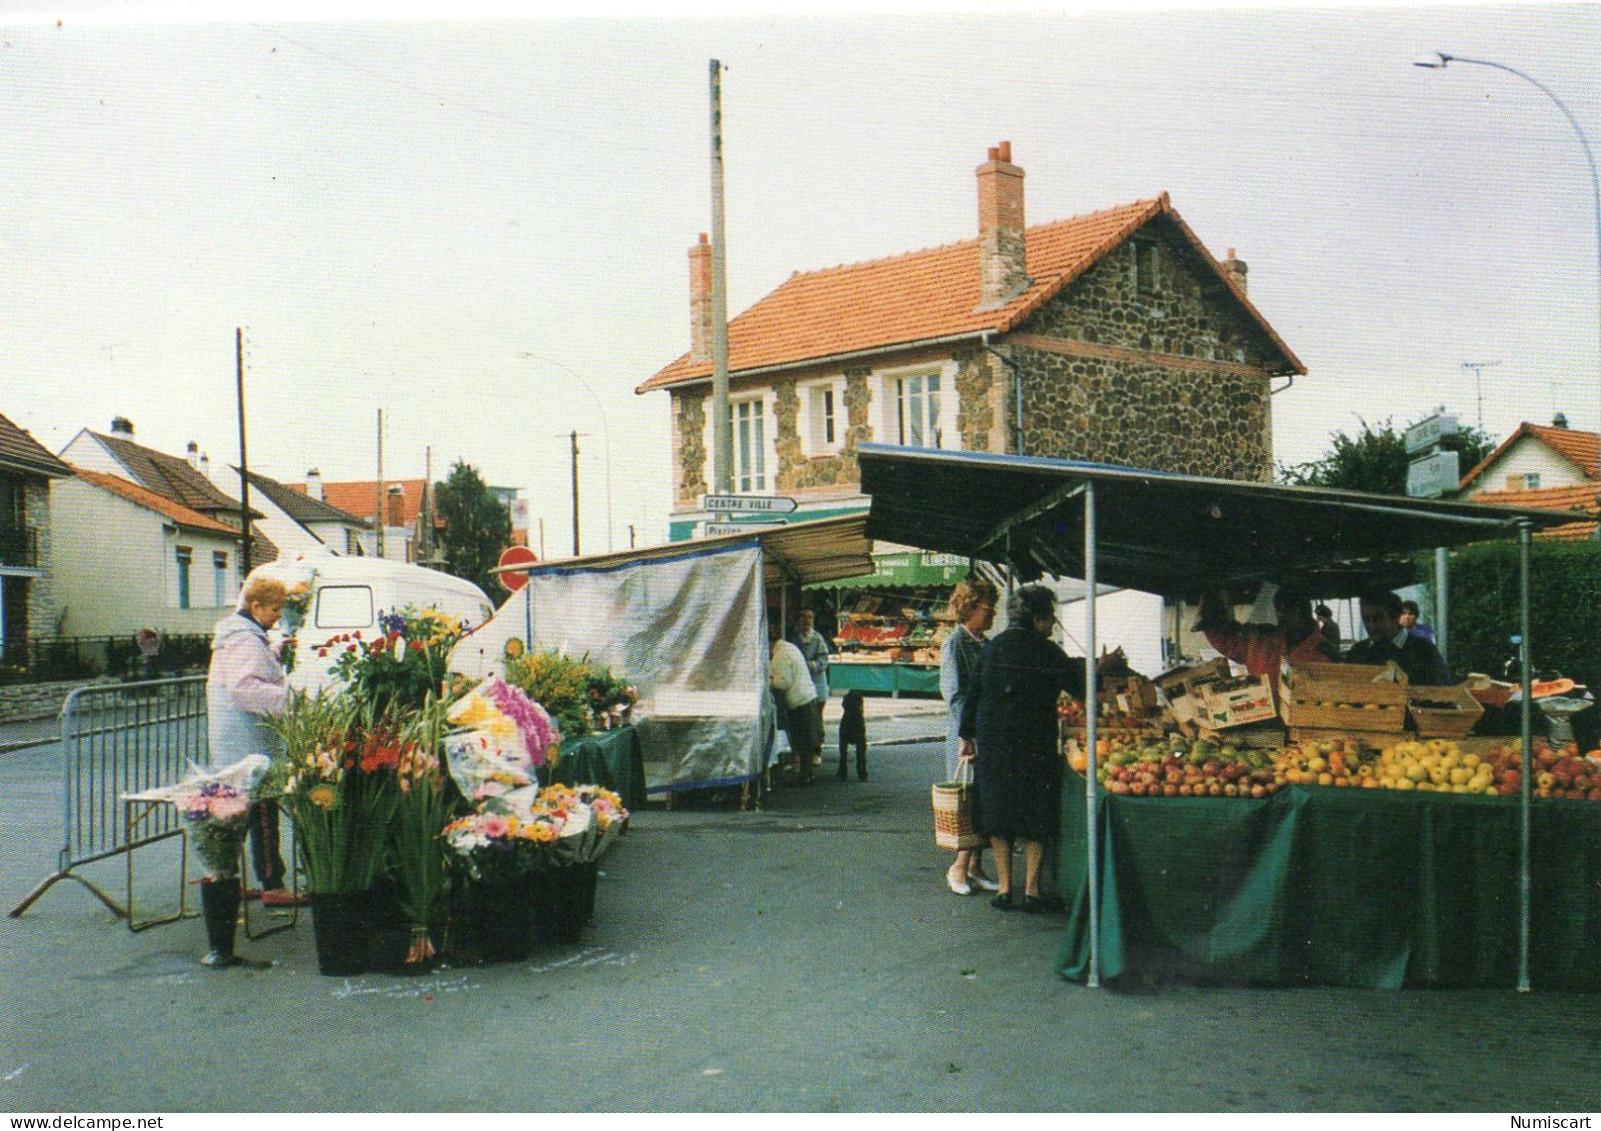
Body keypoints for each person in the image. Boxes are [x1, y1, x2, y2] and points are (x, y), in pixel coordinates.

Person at [958, 584, 1082, 913]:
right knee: (1036, 812)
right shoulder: (1046, 650)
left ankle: (1004, 888)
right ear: (1038, 617)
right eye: (1050, 618)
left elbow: (974, 691)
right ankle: (1032, 890)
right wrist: (1103, 666)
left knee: (998, 812)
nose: (1053, 624)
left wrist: (965, 735)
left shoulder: (992, 647)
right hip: (1034, 741)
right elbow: (1080, 685)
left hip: (994, 739)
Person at [206, 574, 300, 907]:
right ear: (256, 605)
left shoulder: (241, 635)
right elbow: (245, 686)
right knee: (262, 808)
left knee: (234, 811)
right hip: (249, 740)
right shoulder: (245, 639)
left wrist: (274, 650)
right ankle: (272, 884)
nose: (278, 615)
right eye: (274, 609)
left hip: (235, 739)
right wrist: (291, 700)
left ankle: (224, 877)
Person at [938, 576, 1000, 896]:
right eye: (990, 608)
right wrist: (967, 735)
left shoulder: (985, 644)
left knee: (980, 798)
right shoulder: (955, 643)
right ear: (972, 607)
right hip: (967, 734)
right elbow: (954, 693)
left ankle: (975, 866)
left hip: (984, 732)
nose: (993, 615)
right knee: (967, 799)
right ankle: (958, 867)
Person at [1195, 584, 1339, 698]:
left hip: (1305, 729)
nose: (1279, 616)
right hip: (1264, 727)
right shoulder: (1261, 638)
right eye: (1278, 609)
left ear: (1301, 611)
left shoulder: (1326, 653)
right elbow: (1227, 639)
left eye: (1285, 609)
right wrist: (1209, 606)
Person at [1345, 588, 1454, 686]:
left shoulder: (1424, 651)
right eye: (1366, 619)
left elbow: (1443, 690)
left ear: (1395, 617)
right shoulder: (1357, 652)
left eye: (1378, 618)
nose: (1371, 625)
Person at [770, 621, 821, 785]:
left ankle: (805, 776)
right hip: (807, 696)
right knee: (807, 740)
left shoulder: (780, 655)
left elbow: (783, 683)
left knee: (803, 740)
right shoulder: (790, 648)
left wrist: (769, 682)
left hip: (799, 701)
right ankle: (807, 774)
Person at [792, 608, 831, 767]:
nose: (807, 621)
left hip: (817, 686)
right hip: (799, 685)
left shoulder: (818, 638)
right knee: (800, 722)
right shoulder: (793, 638)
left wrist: (810, 665)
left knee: (816, 720)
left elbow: (824, 660)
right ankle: (799, 754)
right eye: (804, 617)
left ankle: (816, 751)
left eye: (810, 618)